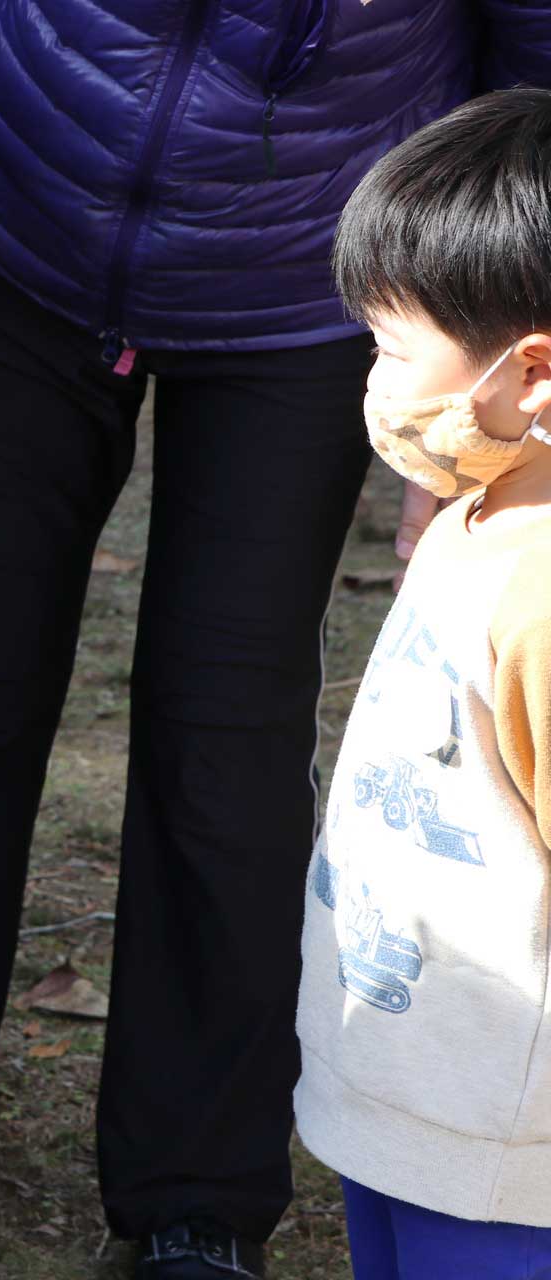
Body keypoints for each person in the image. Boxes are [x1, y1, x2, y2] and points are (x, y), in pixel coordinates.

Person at [0, 1, 551, 1274]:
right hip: (21, 231)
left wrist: (481, 364)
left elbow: (531, 50)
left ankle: (194, 1189)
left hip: (309, 290)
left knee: (229, 726)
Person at [296, 87, 551, 1280]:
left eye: (395, 347)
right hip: (411, 1090)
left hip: (508, 1152)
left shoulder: (542, 595)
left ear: (530, 371)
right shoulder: (476, 509)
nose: (378, 378)